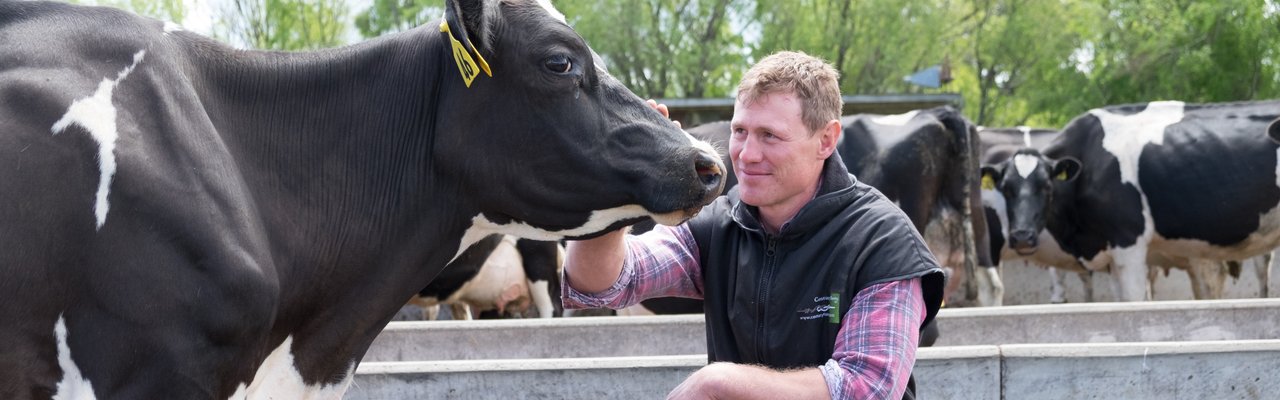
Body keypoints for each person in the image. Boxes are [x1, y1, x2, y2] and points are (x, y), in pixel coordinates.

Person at [562, 51, 945, 400]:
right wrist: (614, 183)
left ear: (826, 139)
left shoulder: (882, 242)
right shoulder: (719, 225)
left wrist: (718, 383)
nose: (746, 155)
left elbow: (868, 388)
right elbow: (603, 283)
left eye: (770, 136)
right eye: (740, 131)